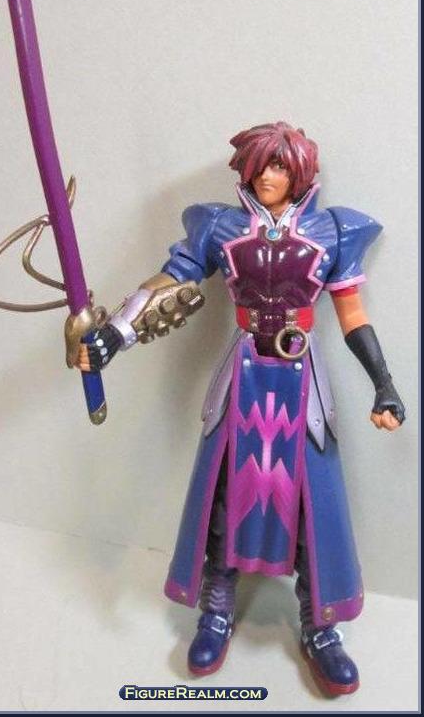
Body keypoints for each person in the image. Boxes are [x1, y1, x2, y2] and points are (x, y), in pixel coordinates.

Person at [77, 121, 404, 696]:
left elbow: (352, 313)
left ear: (299, 172)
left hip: (302, 376)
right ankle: (217, 608)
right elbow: (170, 281)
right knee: (225, 491)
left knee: (311, 499)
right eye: (259, 166)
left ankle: (319, 624)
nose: (267, 176)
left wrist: (385, 384)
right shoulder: (219, 225)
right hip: (243, 373)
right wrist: (114, 334)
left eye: (278, 166)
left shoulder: (334, 230)